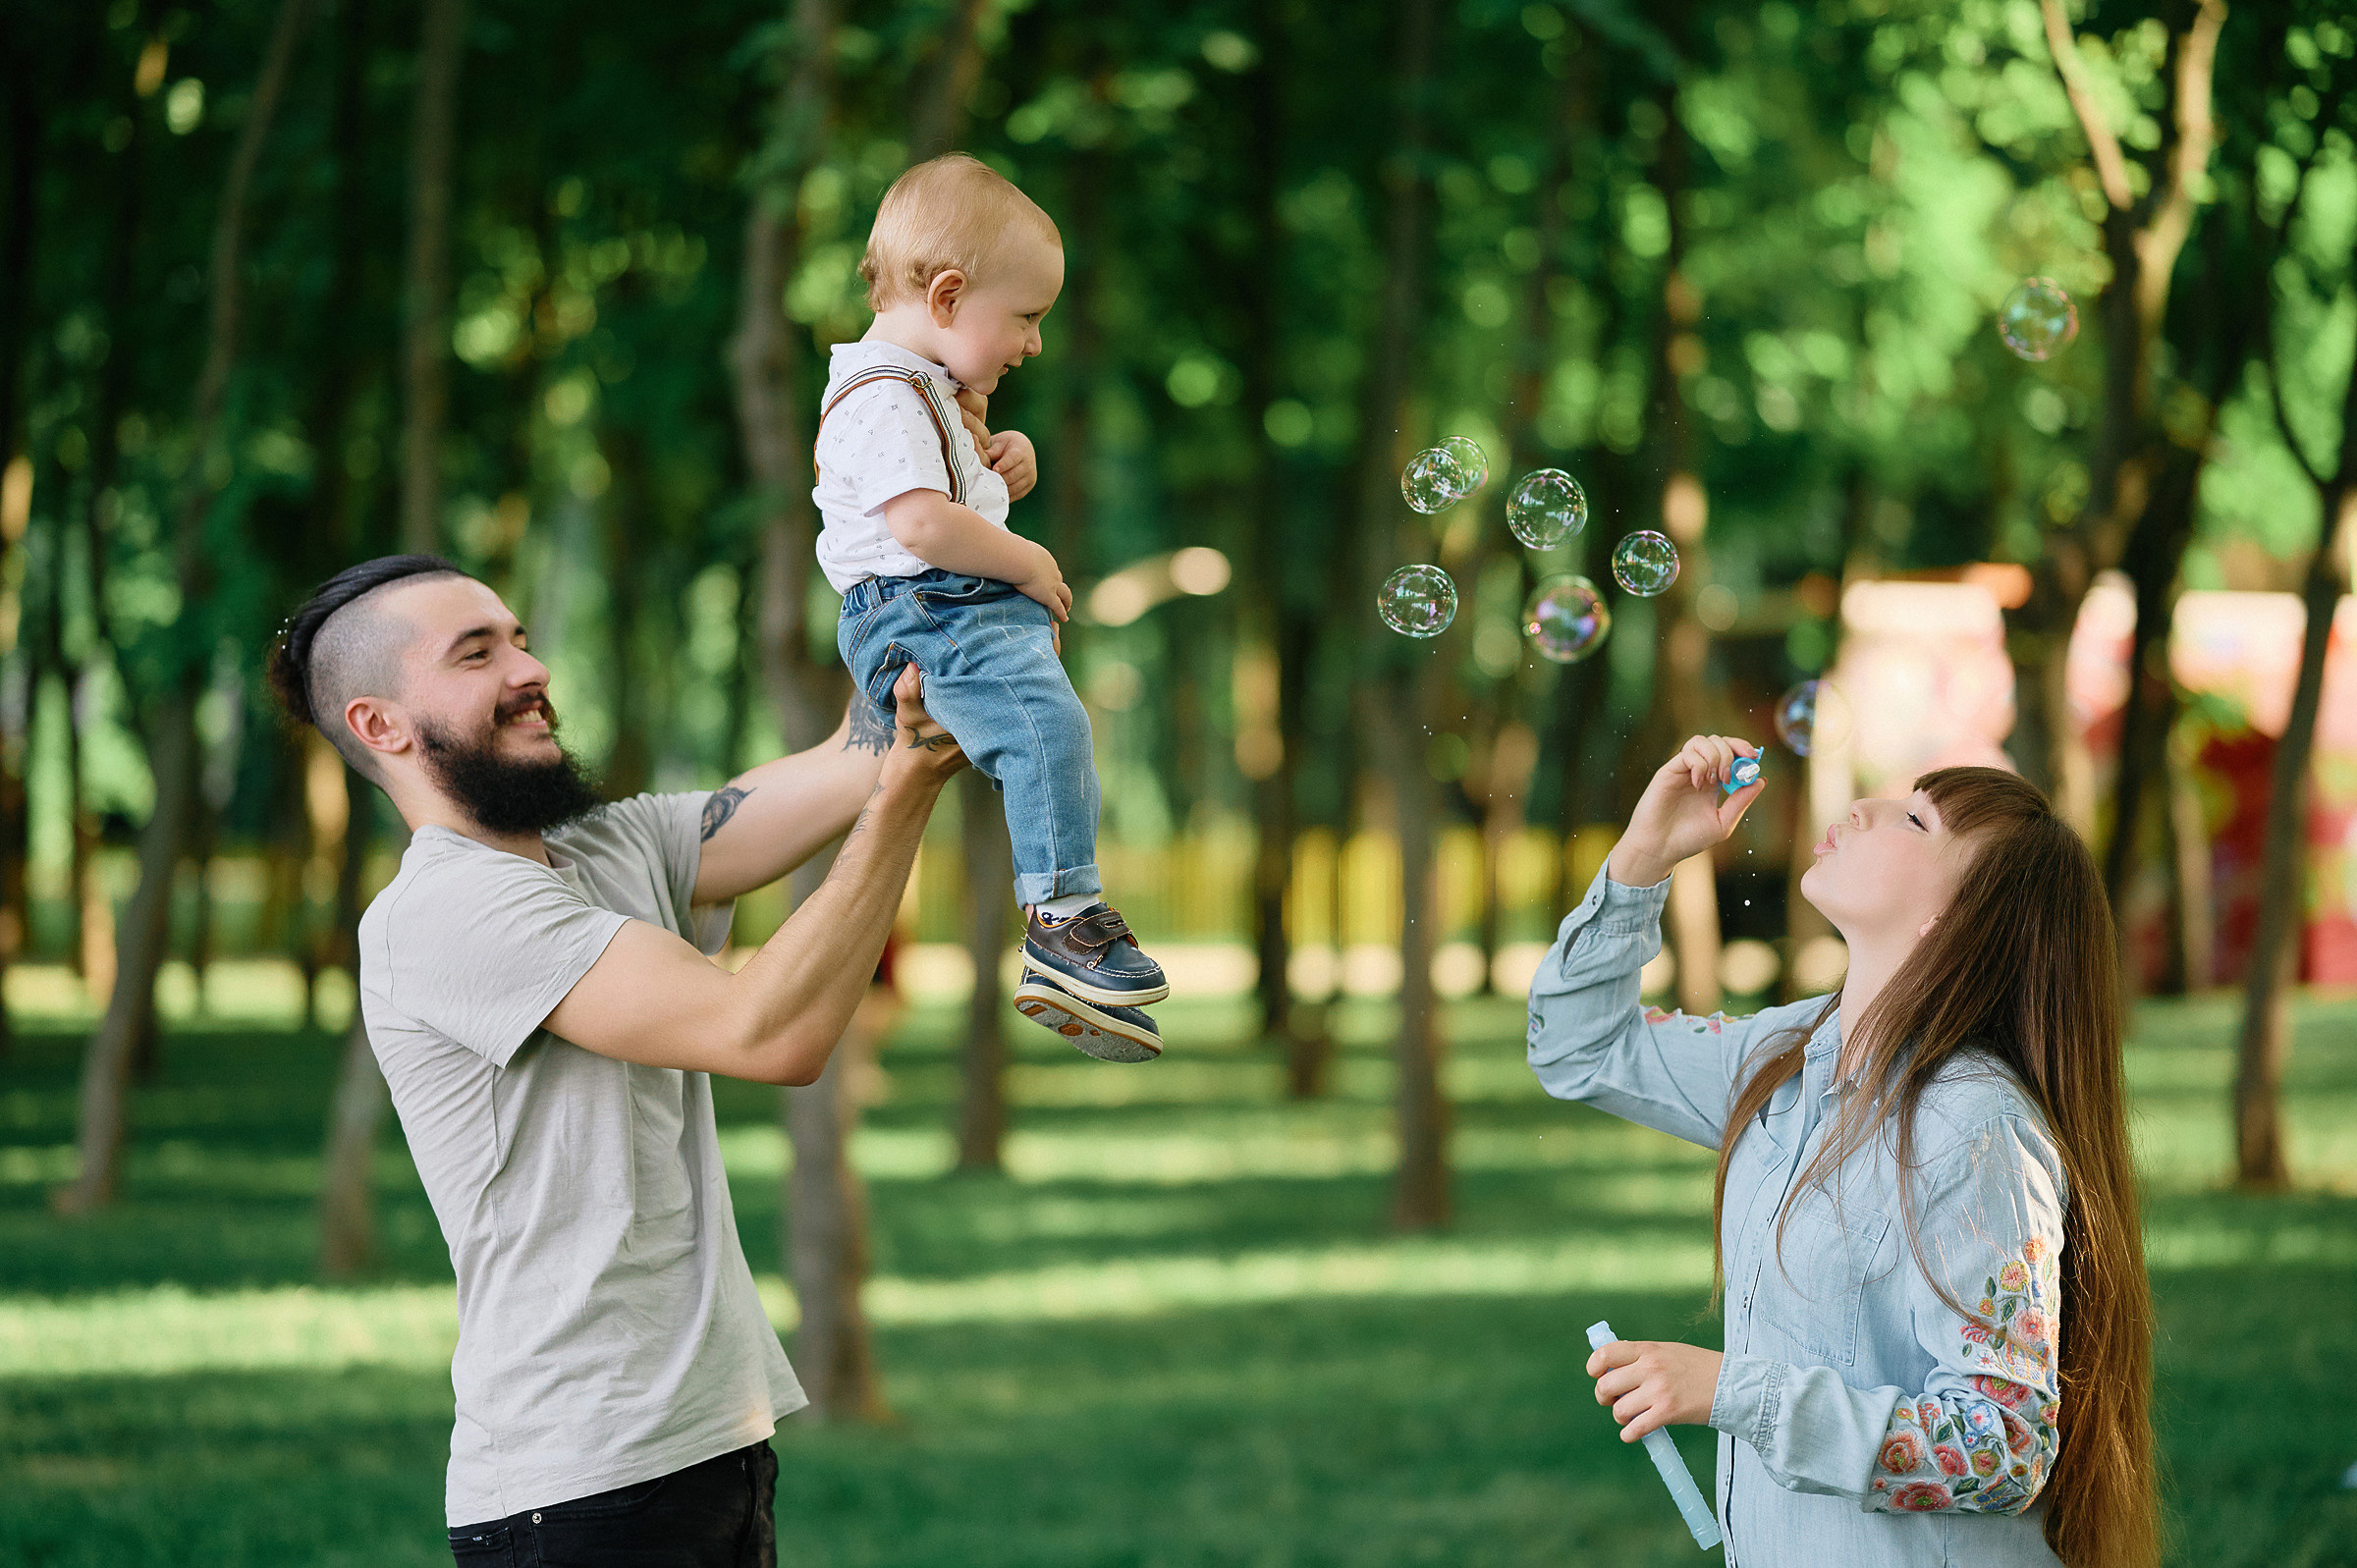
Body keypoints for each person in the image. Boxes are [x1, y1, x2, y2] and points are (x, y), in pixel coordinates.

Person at [265, 554, 966, 1567]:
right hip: (583, 1487)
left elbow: (852, 752)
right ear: (381, 724)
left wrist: (933, 549)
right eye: (478, 653)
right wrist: (907, 791)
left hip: (702, 1450)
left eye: (519, 637)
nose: (529, 666)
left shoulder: (600, 849)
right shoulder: (449, 913)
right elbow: (766, 1032)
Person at [1527, 734, 2157, 1568]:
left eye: (1911, 818)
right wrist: (1647, 853)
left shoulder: (1972, 1128)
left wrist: (1733, 1390)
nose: (1859, 810)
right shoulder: (1789, 1051)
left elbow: (2003, 1444)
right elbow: (1577, 1047)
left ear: (1955, 917)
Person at [813, 151, 1165, 1063]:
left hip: (936, 602)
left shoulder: (921, 387)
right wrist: (1026, 558)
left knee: (1050, 726)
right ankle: (1061, 921)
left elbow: (946, 492)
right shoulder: (887, 392)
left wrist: (1000, 458)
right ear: (947, 296)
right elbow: (925, 526)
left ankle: (1065, 925)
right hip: (923, 606)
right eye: (1027, 318)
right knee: (1046, 727)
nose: (1034, 343)